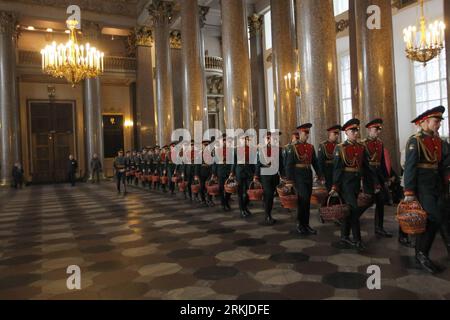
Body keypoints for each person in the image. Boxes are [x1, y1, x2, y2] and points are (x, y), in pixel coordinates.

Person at [403, 106, 446, 273]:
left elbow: (439, 165)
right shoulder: (415, 140)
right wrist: (409, 193)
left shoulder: (436, 141)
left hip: (435, 186)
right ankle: (421, 254)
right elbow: (410, 168)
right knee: (433, 218)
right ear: (425, 122)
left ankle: (421, 253)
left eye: (439, 122)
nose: (438, 125)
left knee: (430, 220)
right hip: (422, 187)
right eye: (436, 122)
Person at [330, 119, 377, 252]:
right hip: (345, 184)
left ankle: (344, 236)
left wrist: (374, 183)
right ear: (346, 132)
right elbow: (338, 169)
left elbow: (366, 168)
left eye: (356, 130)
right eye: (352, 130)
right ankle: (357, 239)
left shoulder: (361, 147)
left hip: (356, 183)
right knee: (355, 210)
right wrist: (335, 186)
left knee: (349, 211)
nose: (355, 133)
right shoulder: (340, 148)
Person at [285, 124, 322, 236]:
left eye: (308, 133)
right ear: (300, 133)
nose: (307, 135)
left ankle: (306, 225)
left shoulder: (310, 147)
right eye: (305, 133)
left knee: (307, 201)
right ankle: (301, 225)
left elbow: (314, 162)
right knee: (303, 200)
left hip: (307, 175)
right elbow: (289, 165)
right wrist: (289, 181)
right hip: (298, 177)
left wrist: (320, 175)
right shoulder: (293, 147)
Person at [362, 118, 393, 238]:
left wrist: (386, 177)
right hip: (369, 176)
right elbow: (362, 164)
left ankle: (379, 227)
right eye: (376, 129)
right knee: (367, 201)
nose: (378, 132)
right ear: (369, 130)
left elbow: (382, 162)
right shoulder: (363, 144)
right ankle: (351, 219)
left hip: (379, 174)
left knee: (380, 201)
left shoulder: (380, 143)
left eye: (379, 130)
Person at [254, 131, 284, 226]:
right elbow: (258, 163)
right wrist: (256, 176)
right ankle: (268, 215)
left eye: (270, 138)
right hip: (265, 174)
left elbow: (281, 163)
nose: (270, 139)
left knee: (271, 195)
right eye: (268, 138)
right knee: (269, 195)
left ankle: (267, 209)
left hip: (274, 175)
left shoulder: (277, 149)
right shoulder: (261, 149)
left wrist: (283, 176)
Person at [231, 133, 256, 219]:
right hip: (239, 171)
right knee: (240, 192)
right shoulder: (235, 150)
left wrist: (255, 173)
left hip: (249, 171)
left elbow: (253, 162)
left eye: (246, 139)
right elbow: (233, 162)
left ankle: (245, 207)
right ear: (239, 140)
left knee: (249, 191)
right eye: (243, 139)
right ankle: (242, 210)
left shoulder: (251, 149)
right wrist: (232, 173)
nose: (245, 141)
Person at [318, 125, 341, 191]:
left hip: (337, 171)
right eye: (335, 133)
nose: (337, 136)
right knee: (328, 190)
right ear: (330, 133)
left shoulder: (340, 145)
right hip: (327, 172)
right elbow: (320, 161)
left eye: (338, 134)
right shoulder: (323, 145)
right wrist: (321, 175)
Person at [214, 134, 233, 212]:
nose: (225, 142)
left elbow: (232, 162)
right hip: (220, 171)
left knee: (229, 188)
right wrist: (214, 173)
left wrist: (232, 171)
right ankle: (223, 203)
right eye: (223, 140)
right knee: (221, 188)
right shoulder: (217, 150)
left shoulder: (230, 150)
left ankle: (226, 201)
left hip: (228, 171)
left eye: (226, 140)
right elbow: (214, 163)